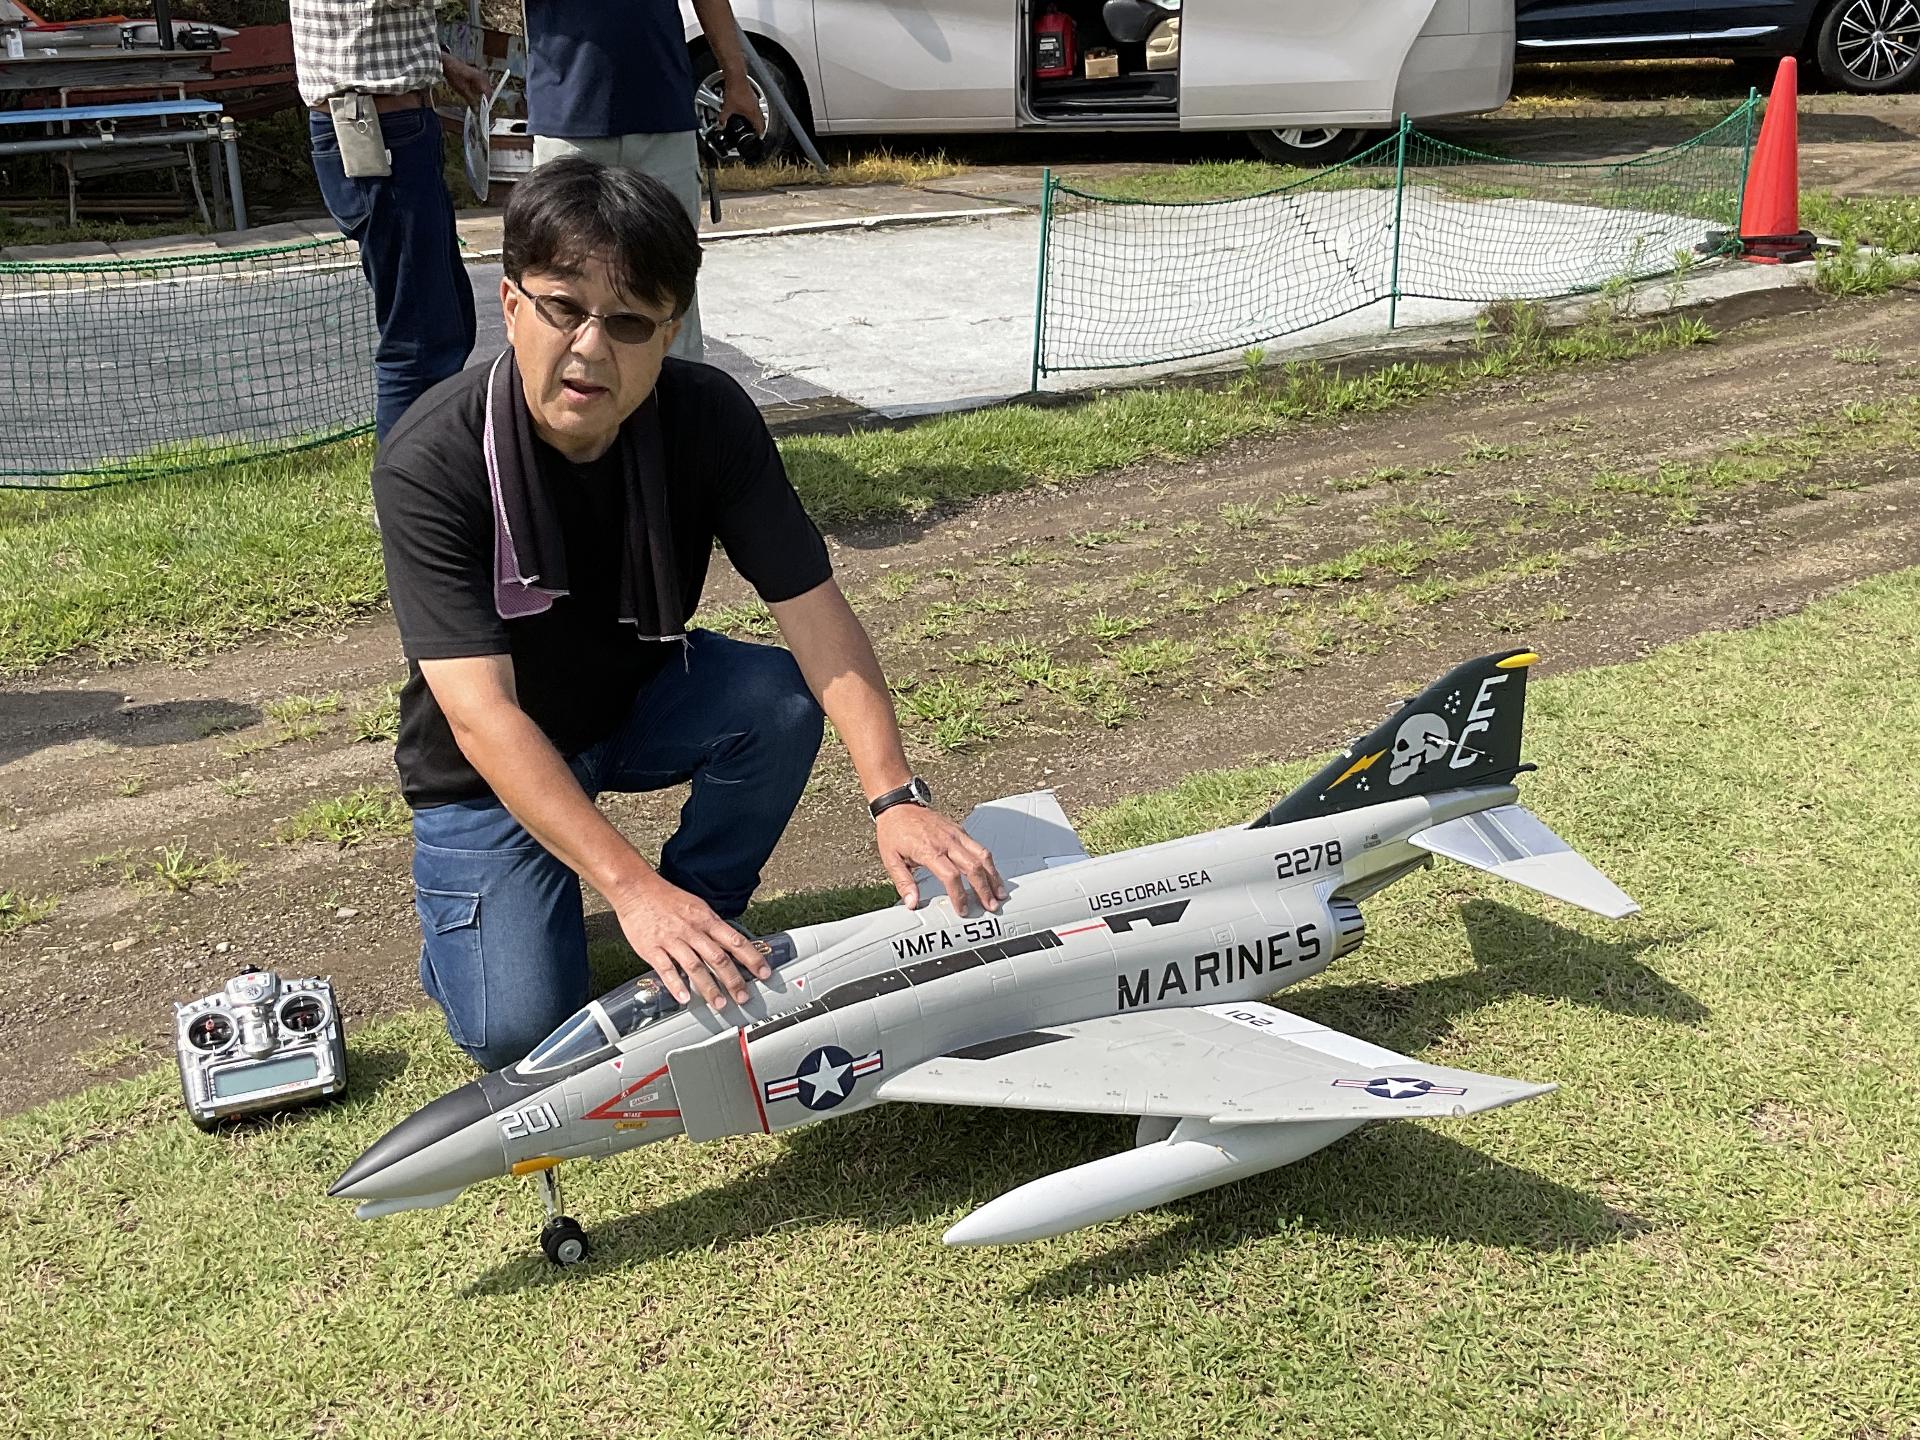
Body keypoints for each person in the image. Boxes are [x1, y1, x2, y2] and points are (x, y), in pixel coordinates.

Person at [371, 157, 1002, 1072]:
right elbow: (480, 716)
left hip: (634, 704)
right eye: (563, 308)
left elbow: (814, 612)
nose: (591, 348)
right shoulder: (432, 461)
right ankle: (493, 930)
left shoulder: (707, 418)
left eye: (630, 322)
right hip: (487, 768)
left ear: (669, 333)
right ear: (510, 303)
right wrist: (630, 889)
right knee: (514, 1033)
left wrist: (895, 797)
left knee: (776, 700)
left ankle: (699, 910)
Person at [521, 0, 766, 361]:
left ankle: (678, 394)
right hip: (568, 119)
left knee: (669, 285)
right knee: (565, 289)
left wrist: (737, 79)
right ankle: (565, 395)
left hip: (663, 115)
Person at [290, 0, 486, 441]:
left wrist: (441, 61)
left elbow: (366, 25)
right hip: (375, 129)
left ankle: (435, 466)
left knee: (443, 325)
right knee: (417, 340)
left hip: (385, 124)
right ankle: (408, 479)